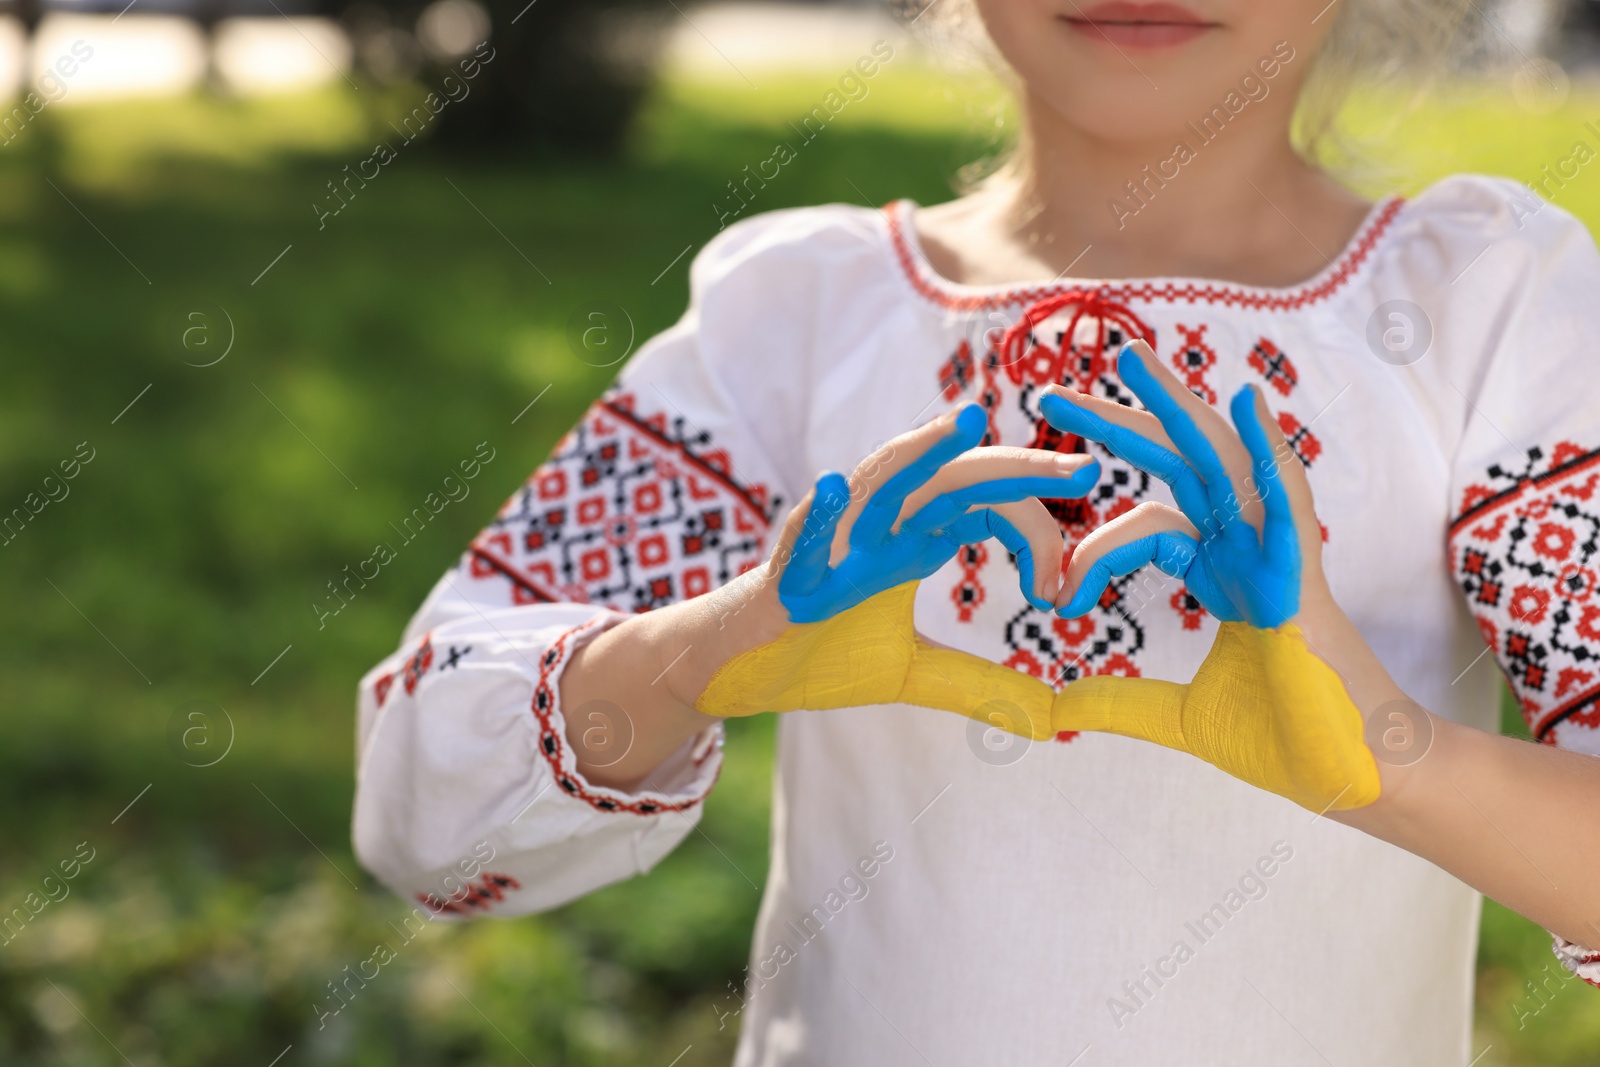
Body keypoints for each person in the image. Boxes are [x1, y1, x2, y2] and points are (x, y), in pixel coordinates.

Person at [350, 1, 1600, 1062]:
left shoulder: (1489, 305)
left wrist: (1391, 758)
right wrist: (707, 649)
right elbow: (425, 819)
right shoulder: (796, 316)